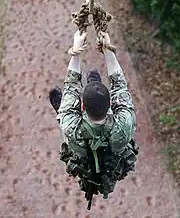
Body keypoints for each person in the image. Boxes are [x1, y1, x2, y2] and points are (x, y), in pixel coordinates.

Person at [49, 30, 138, 203]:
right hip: (112, 154)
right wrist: (107, 49)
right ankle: (93, 88)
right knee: (74, 109)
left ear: (82, 106)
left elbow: (72, 86)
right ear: (111, 105)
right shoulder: (124, 125)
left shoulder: (71, 128)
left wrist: (76, 51)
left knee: (66, 114)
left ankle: (64, 109)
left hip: (82, 148)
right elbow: (120, 86)